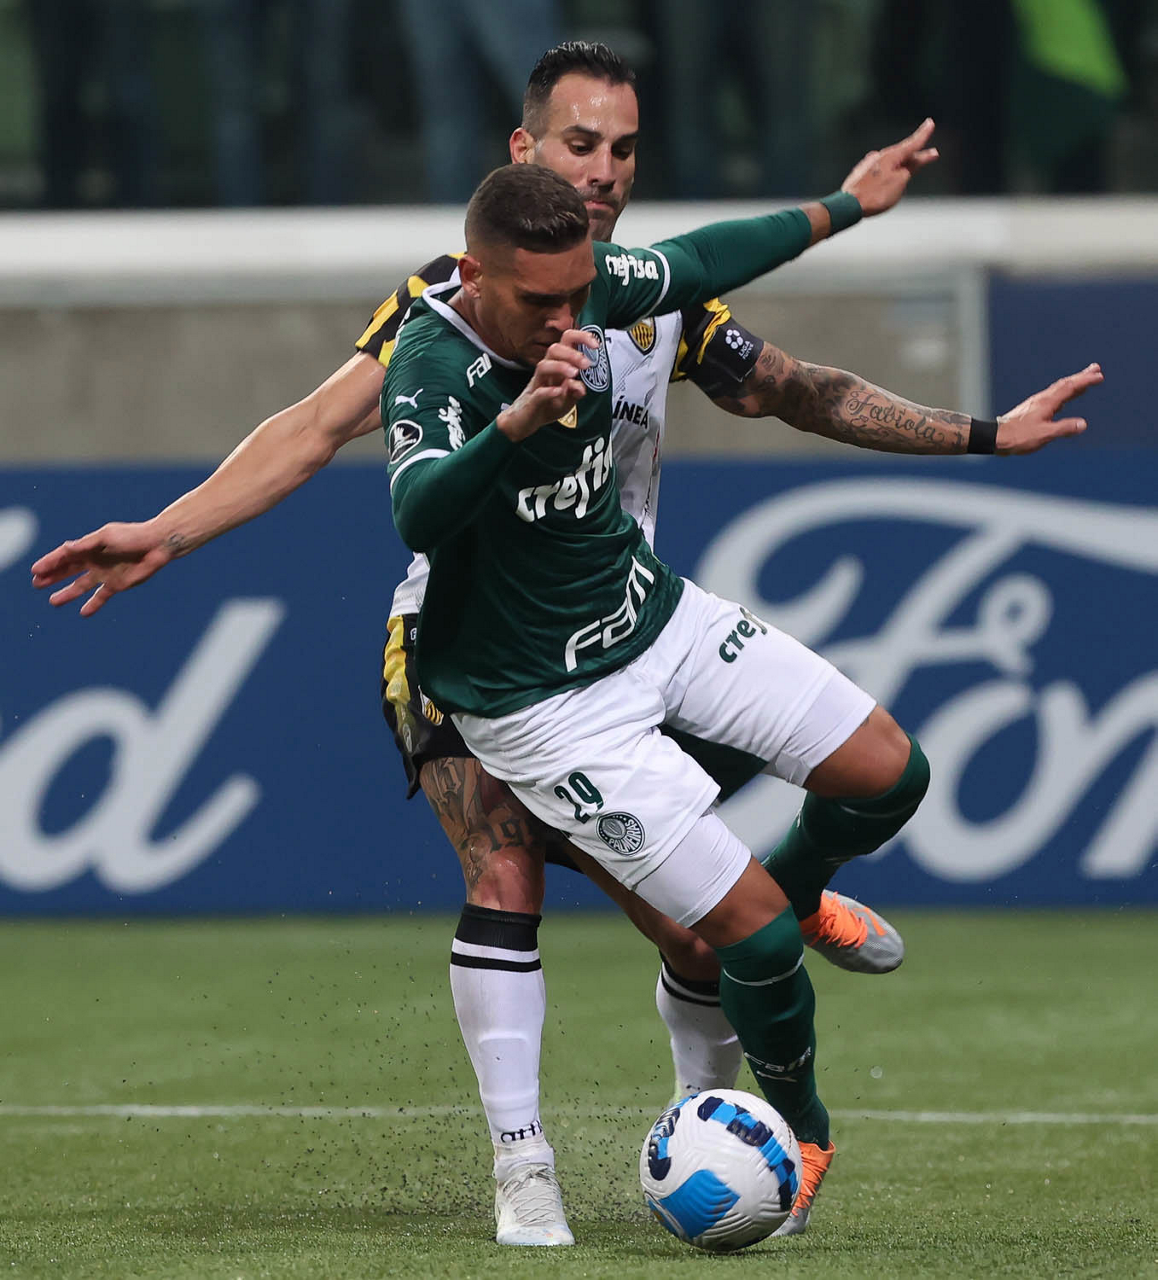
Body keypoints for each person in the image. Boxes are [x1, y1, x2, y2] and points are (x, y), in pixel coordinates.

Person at [29, 41, 1099, 1247]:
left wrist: (953, 392)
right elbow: (320, 428)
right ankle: (524, 1162)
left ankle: (738, 1056)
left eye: (624, 148)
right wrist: (170, 529)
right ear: (524, 149)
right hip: (478, 653)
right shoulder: (449, 306)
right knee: (506, 871)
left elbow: (790, 383)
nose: (604, 169)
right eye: (580, 144)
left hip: (630, 619)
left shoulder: (632, 289)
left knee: (722, 921)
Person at [379, 160, 1098, 1242]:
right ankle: (801, 1135)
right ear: (476, 276)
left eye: (579, 294)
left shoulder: (587, 288)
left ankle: (800, 891)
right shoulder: (432, 359)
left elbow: (707, 258)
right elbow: (418, 514)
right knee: (743, 944)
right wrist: (516, 423)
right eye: (540, 302)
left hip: (650, 618)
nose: (568, 318)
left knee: (890, 773)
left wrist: (847, 204)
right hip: (541, 708)